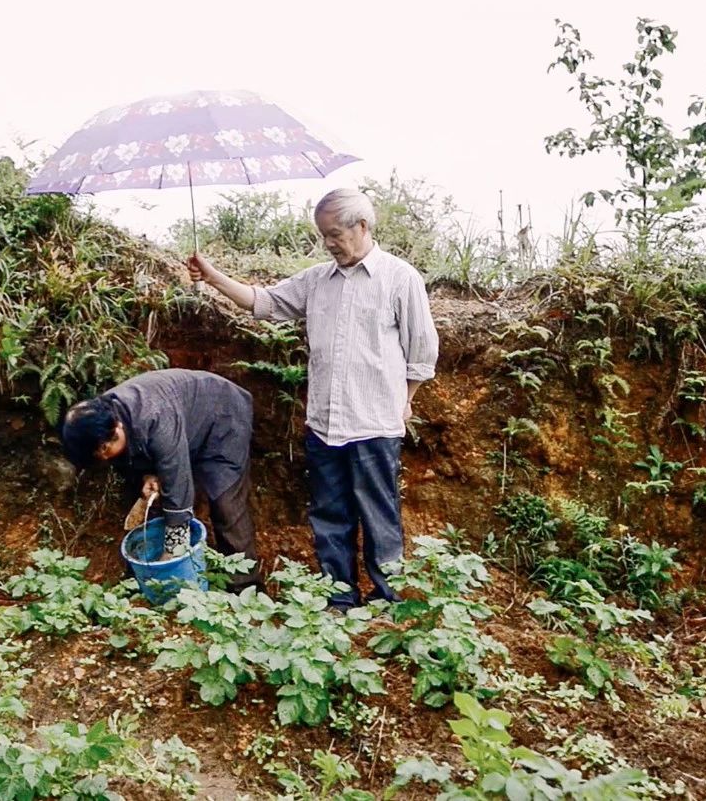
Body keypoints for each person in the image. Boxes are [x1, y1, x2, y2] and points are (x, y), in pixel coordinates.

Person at [187, 188, 439, 609]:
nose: (329, 243)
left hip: (375, 423)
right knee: (329, 517)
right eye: (323, 235)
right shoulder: (316, 281)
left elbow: (422, 352)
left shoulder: (400, 279)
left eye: (335, 233)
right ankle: (339, 601)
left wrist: (406, 398)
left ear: (362, 227)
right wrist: (213, 277)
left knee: (380, 518)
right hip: (324, 425)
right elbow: (263, 302)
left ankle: (388, 602)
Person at [61, 368, 263, 591]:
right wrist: (146, 475)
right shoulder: (101, 420)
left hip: (223, 416)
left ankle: (246, 588)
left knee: (226, 503)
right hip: (185, 421)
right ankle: (145, 577)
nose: (104, 456)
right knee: (157, 501)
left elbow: (178, 480)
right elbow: (131, 456)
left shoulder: (153, 416)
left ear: (117, 427)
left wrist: (173, 550)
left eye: (106, 449)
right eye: (98, 455)